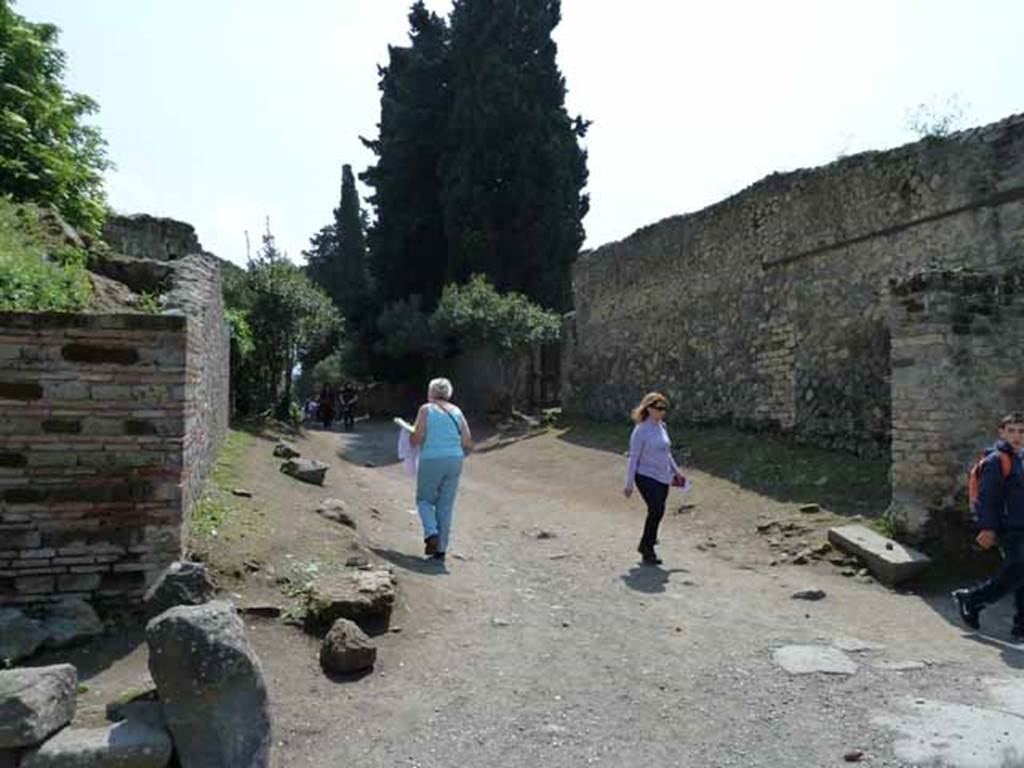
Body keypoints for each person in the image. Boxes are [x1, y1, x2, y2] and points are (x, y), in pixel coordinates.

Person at [953, 412, 1024, 640]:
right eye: (1011, 430)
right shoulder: (997, 460)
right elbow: (988, 497)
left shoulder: (1021, 458)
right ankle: (973, 599)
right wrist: (987, 528)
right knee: (1019, 569)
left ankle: (1021, 627)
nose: (1017, 436)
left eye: (1022, 431)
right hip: (1009, 527)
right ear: (1001, 432)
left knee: (1021, 573)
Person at [409, 377, 473, 561]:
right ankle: (441, 549)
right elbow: (467, 441)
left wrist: (410, 436)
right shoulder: (457, 411)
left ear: (431, 392)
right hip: (454, 459)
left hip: (431, 458)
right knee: (445, 505)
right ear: (448, 393)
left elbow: (417, 438)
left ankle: (431, 533)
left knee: (424, 500)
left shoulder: (426, 410)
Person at [623, 392, 686, 565]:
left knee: (658, 512)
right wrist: (629, 484)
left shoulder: (662, 427)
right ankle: (648, 548)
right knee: (656, 508)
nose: (662, 412)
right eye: (658, 408)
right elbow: (633, 457)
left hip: (663, 476)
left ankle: (646, 543)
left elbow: (667, 453)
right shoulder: (640, 430)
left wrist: (676, 471)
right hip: (645, 475)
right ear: (649, 408)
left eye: (664, 408)